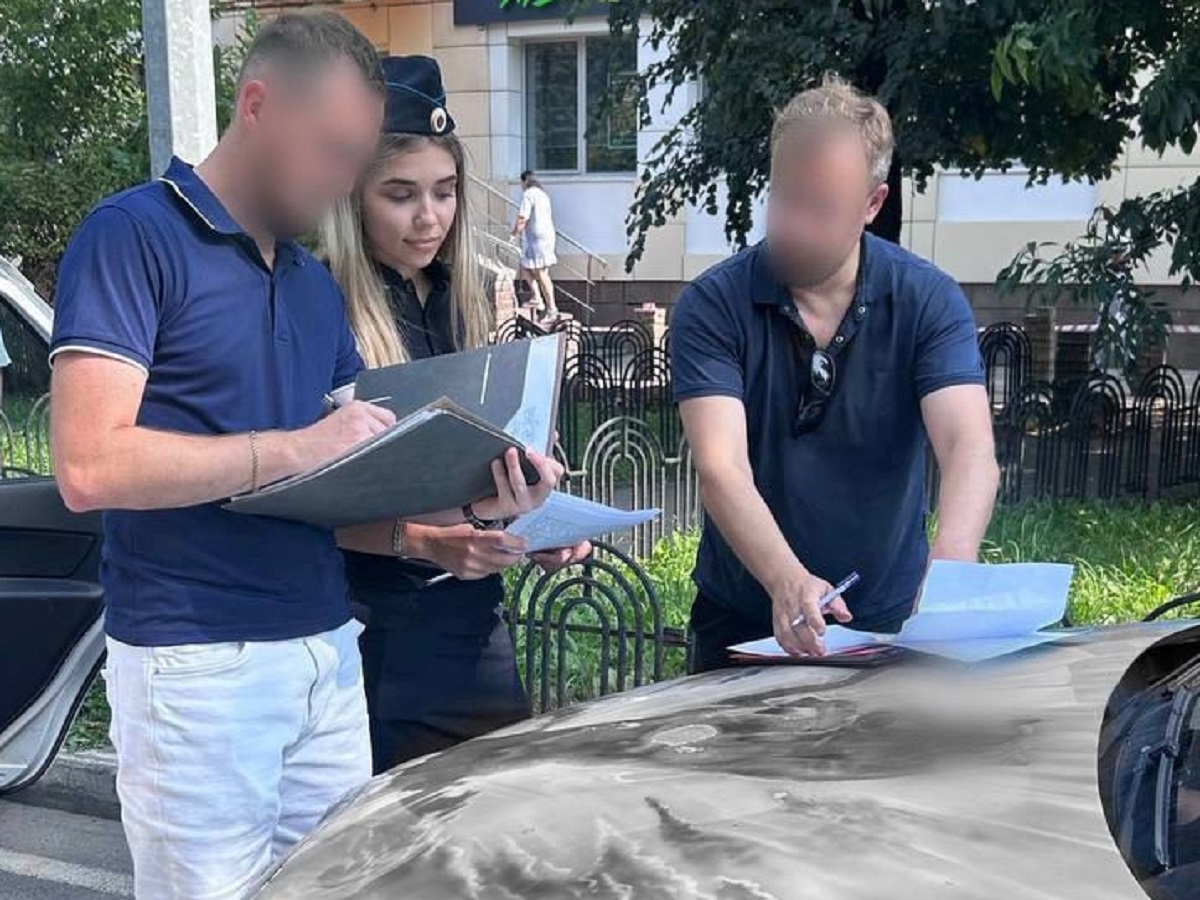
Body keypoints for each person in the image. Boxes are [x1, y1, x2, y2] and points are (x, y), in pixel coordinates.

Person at [49, 17, 562, 900]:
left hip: (326, 648)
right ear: (258, 106)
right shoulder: (131, 235)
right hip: (196, 659)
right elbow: (88, 466)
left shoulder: (311, 282)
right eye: (333, 152)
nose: (341, 184)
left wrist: (494, 501)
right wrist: (293, 446)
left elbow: (351, 485)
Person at [670, 76, 999, 672]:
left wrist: (951, 571)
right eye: (784, 199)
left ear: (872, 204)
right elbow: (721, 468)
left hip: (888, 623)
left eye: (819, 208)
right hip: (743, 621)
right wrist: (786, 579)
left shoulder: (927, 300)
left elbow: (968, 447)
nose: (793, 226)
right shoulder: (713, 305)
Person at [322, 56, 590, 772]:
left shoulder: (461, 295)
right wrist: (425, 542)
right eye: (400, 194)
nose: (429, 217)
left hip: (474, 624)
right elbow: (299, 507)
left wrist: (534, 518)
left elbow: (468, 474)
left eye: (445, 191)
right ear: (352, 194)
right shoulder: (319, 303)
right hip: (371, 636)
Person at [512, 169, 560, 322]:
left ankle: (551, 308)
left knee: (540, 272)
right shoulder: (543, 195)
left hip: (537, 238)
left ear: (524, 182)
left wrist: (513, 233)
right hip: (547, 236)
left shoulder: (528, 194)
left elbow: (522, 217)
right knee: (528, 267)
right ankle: (538, 298)